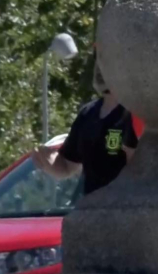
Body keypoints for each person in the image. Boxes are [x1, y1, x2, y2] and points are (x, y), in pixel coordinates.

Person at [33, 61, 139, 196]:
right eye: (99, 61)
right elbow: (67, 166)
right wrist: (47, 161)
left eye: (107, 62)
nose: (99, 69)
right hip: (91, 210)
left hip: (121, 208)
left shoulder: (133, 113)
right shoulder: (87, 113)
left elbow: (137, 172)